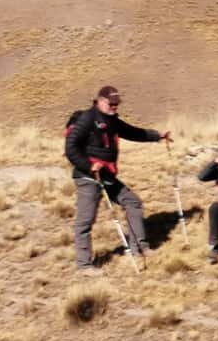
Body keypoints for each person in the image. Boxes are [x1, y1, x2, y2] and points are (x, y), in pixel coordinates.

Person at [66, 84, 170, 271]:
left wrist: (158, 136)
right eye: (111, 104)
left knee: (133, 202)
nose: (115, 107)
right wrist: (89, 166)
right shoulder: (87, 119)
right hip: (88, 177)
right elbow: (70, 148)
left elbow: (132, 132)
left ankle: (139, 247)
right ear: (100, 100)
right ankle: (84, 265)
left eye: (117, 104)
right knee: (85, 220)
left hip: (107, 175)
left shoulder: (112, 120)